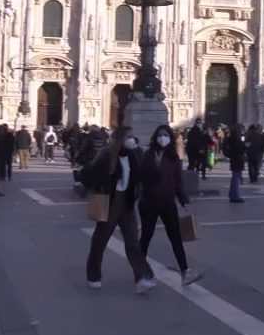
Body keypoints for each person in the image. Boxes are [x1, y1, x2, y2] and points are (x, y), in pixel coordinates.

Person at [84, 127, 155, 293]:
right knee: (100, 241)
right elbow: (89, 174)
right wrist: (101, 184)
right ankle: (93, 275)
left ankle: (143, 277)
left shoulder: (133, 155)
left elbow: (139, 177)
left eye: (133, 136)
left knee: (132, 243)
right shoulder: (106, 156)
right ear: (120, 139)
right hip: (109, 202)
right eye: (129, 137)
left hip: (127, 203)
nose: (133, 140)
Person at [138, 124, 203, 286]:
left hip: (167, 202)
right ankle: (138, 270)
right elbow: (141, 176)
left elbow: (178, 182)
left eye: (165, 135)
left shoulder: (174, 157)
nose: (162, 138)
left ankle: (185, 272)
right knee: (146, 236)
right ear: (155, 137)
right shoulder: (148, 155)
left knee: (175, 238)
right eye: (160, 135)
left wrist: (184, 201)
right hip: (149, 201)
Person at [224, 124, 247, 203]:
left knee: (235, 177)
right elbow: (239, 149)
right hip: (237, 159)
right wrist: (245, 146)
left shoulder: (232, 138)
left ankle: (232, 194)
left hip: (234, 159)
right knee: (236, 178)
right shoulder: (236, 139)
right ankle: (235, 196)